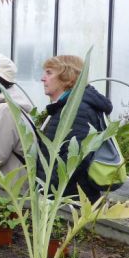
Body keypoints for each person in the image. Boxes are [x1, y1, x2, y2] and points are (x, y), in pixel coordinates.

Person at [39, 54, 112, 202]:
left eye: (49, 72)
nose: (42, 78)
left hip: (69, 201)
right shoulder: (66, 107)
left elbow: (76, 158)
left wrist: (48, 189)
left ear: (67, 76)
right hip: (65, 198)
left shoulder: (78, 109)